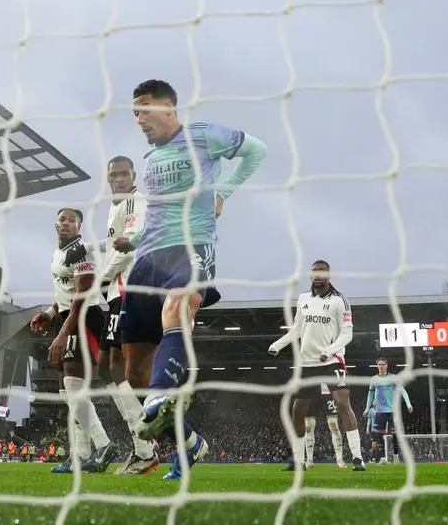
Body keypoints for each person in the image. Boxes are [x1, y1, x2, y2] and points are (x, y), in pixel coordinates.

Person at [120, 79, 268, 482]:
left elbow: (258, 151)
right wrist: (130, 239)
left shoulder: (203, 136)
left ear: (168, 107)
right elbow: (153, 214)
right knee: (134, 374)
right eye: (133, 111)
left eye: (143, 108)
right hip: (148, 258)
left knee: (179, 306)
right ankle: (189, 444)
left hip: (193, 247)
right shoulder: (149, 159)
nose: (138, 118)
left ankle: (162, 396)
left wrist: (224, 194)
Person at [29, 208, 115, 474]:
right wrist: (50, 313)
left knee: (73, 386)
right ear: (56, 224)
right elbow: (65, 292)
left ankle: (104, 445)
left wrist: (63, 332)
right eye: (62, 219)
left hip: (84, 317)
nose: (66, 223)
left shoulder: (82, 252)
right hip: (67, 316)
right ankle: (81, 455)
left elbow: (81, 295)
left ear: (79, 226)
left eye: (71, 220)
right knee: (68, 394)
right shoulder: (59, 254)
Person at [269, 260, 364, 472]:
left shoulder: (340, 301)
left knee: (342, 403)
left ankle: (357, 458)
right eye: (314, 272)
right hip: (307, 363)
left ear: (329, 275)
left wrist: (329, 351)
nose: (318, 275)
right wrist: (277, 344)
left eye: (322, 272)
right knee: (298, 409)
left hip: (332, 360)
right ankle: (299, 460)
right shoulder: (303, 299)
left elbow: (347, 334)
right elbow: (297, 329)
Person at [96, 155, 156, 475]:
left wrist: (102, 278)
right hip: (116, 293)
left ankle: (148, 446)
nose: (118, 178)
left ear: (133, 175)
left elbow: (128, 245)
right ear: (107, 179)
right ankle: (143, 446)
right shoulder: (115, 207)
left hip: (129, 290)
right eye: (113, 174)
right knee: (110, 370)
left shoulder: (135, 202)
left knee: (120, 370)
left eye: (124, 174)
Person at [363, 356, 412, 463]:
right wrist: (367, 409)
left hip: (392, 411)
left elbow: (402, 391)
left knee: (395, 434)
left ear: (386, 366)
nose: (381, 366)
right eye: (379, 364)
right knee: (378, 436)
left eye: (383, 364)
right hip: (379, 411)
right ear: (377, 366)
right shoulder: (373, 380)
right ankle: (382, 458)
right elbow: (370, 395)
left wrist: (408, 404)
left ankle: (395, 456)